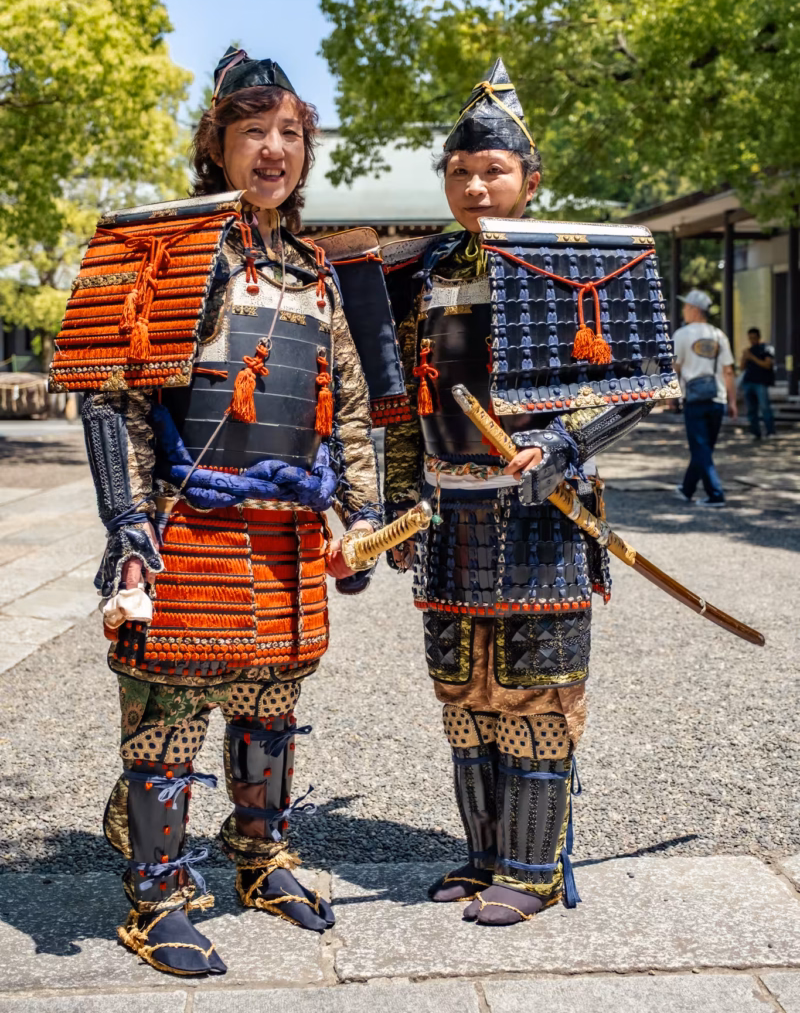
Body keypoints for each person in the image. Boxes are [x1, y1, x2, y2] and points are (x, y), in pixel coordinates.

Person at [50, 48, 381, 976]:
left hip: (286, 526)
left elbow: (347, 403)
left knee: (270, 705)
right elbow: (111, 390)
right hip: (190, 521)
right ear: (219, 146)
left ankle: (260, 857)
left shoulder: (318, 271)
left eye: (290, 134)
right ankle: (156, 896)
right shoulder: (168, 247)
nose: (274, 150)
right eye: (254, 133)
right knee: (166, 715)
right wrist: (128, 521)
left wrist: (355, 508)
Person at [383, 59, 676, 926]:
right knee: (463, 692)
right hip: (447, 513)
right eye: (460, 171)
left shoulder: (578, 257)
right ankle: (480, 857)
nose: (475, 184)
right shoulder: (421, 270)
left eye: (494, 170)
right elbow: (403, 400)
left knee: (537, 691)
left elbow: (636, 380)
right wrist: (399, 501)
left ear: (530, 179)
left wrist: (563, 441)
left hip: (541, 514)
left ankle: (533, 869)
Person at [673, 289, 736, 508]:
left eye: (685, 306)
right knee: (704, 447)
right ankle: (687, 488)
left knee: (700, 448)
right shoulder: (719, 335)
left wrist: (671, 396)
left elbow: (676, 368)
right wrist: (733, 401)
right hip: (717, 398)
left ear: (693, 309)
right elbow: (728, 371)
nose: (683, 310)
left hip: (695, 399)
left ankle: (716, 494)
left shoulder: (682, 335)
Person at [739, 326, 776, 440]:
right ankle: (755, 433)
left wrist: (752, 357)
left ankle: (770, 432)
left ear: (759, 337)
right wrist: (744, 357)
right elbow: (742, 368)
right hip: (748, 382)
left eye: (754, 338)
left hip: (760, 382)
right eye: (750, 338)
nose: (752, 340)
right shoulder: (749, 350)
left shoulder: (766, 349)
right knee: (751, 410)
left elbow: (767, 364)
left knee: (765, 408)